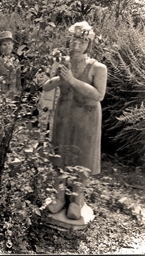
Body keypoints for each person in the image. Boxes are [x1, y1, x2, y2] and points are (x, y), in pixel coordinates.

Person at [43, 21, 107, 220]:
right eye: (74, 40)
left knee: (83, 158)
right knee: (60, 156)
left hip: (87, 119)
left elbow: (99, 95)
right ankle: (59, 196)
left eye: (81, 41)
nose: (76, 45)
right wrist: (57, 78)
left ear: (88, 43)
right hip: (64, 115)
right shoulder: (63, 63)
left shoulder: (98, 67)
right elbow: (46, 87)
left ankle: (77, 200)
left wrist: (71, 80)